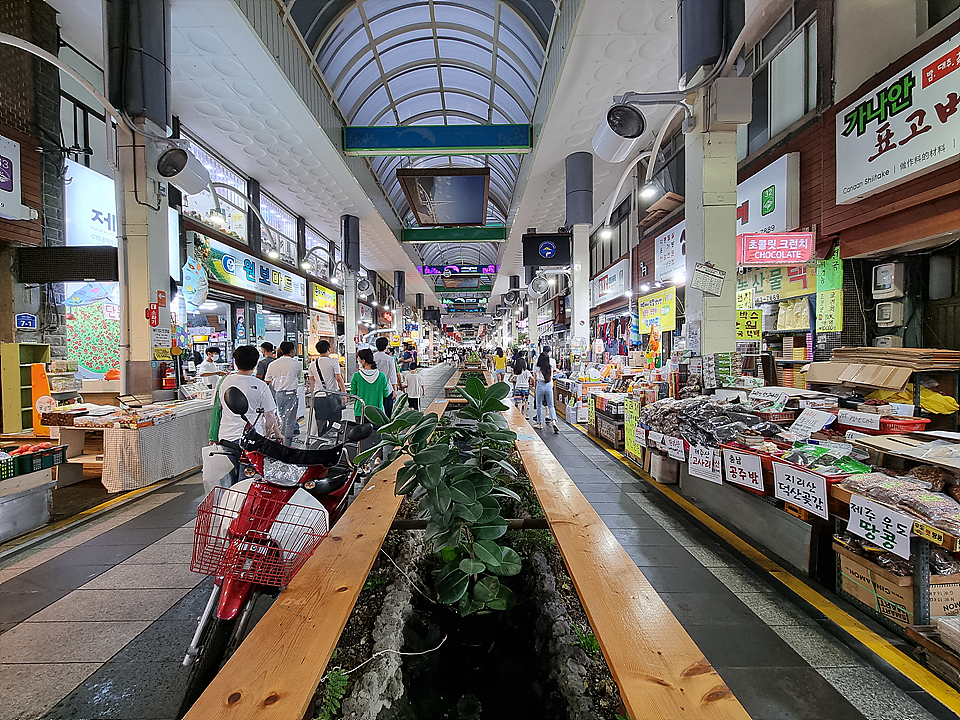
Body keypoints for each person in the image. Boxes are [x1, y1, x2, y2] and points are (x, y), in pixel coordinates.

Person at [206, 345, 279, 491]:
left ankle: (228, 511)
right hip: (253, 442)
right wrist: (276, 434)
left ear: (235, 361)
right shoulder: (261, 385)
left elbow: (217, 410)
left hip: (226, 439)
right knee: (247, 485)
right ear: (256, 362)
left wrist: (212, 435)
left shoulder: (223, 382)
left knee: (226, 484)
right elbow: (269, 416)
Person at [264, 341, 302, 445]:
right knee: (289, 422)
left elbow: (267, 381)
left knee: (278, 419)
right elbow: (298, 377)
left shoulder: (273, 364)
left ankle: (279, 441)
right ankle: (286, 445)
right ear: (293, 351)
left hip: (278, 395)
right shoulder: (297, 364)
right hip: (291, 394)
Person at [308, 339, 346, 436]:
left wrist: (312, 395)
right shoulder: (333, 362)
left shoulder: (312, 364)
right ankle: (332, 439)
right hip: (333, 396)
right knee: (336, 420)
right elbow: (338, 378)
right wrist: (344, 393)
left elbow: (311, 381)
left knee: (320, 422)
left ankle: (321, 441)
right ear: (329, 349)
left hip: (318, 397)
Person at [351, 347, 389, 418]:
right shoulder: (381, 376)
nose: (358, 361)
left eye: (359, 359)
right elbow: (385, 394)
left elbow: (353, 394)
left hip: (360, 412)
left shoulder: (356, 376)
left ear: (363, 361)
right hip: (377, 413)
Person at [534, 346, 559, 433]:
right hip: (549, 385)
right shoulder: (551, 366)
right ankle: (553, 421)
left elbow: (534, 376)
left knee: (539, 405)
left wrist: (534, 385)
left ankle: (539, 423)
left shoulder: (537, 367)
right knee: (551, 405)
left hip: (540, 385)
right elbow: (554, 372)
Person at [373, 336, 399, 416]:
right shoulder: (390, 359)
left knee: (376, 412)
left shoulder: (372, 357)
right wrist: (395, 389)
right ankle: (388, 426)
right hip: (387, 389)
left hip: (374, 388)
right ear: (386, 346)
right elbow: (393, 375)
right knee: (388, 412)